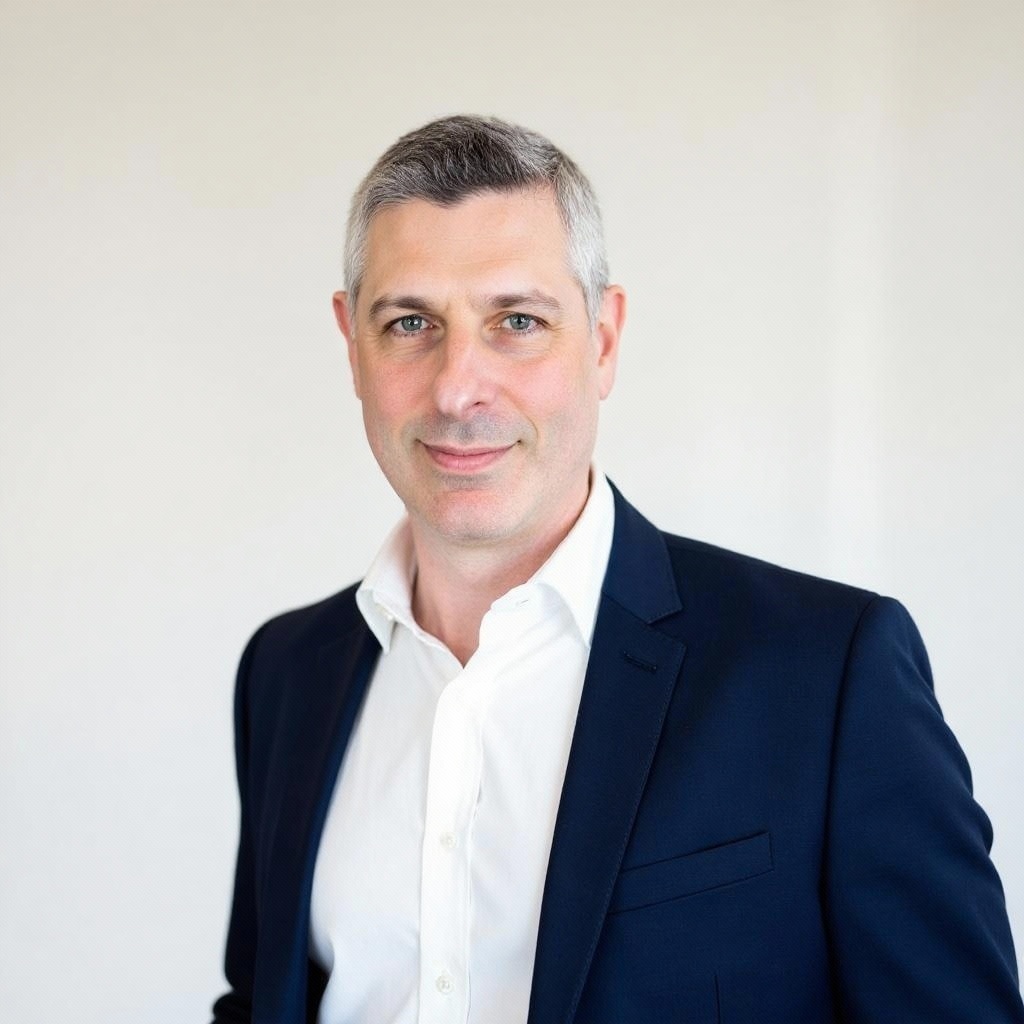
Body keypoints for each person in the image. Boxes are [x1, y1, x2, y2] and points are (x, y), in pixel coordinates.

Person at [211, 115, 1023, 1024]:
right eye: (410, 323)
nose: (457, 388)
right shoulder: (287, 672)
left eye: (518, 322)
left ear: (603, 341)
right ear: (352, 345)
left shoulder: (826, 673)